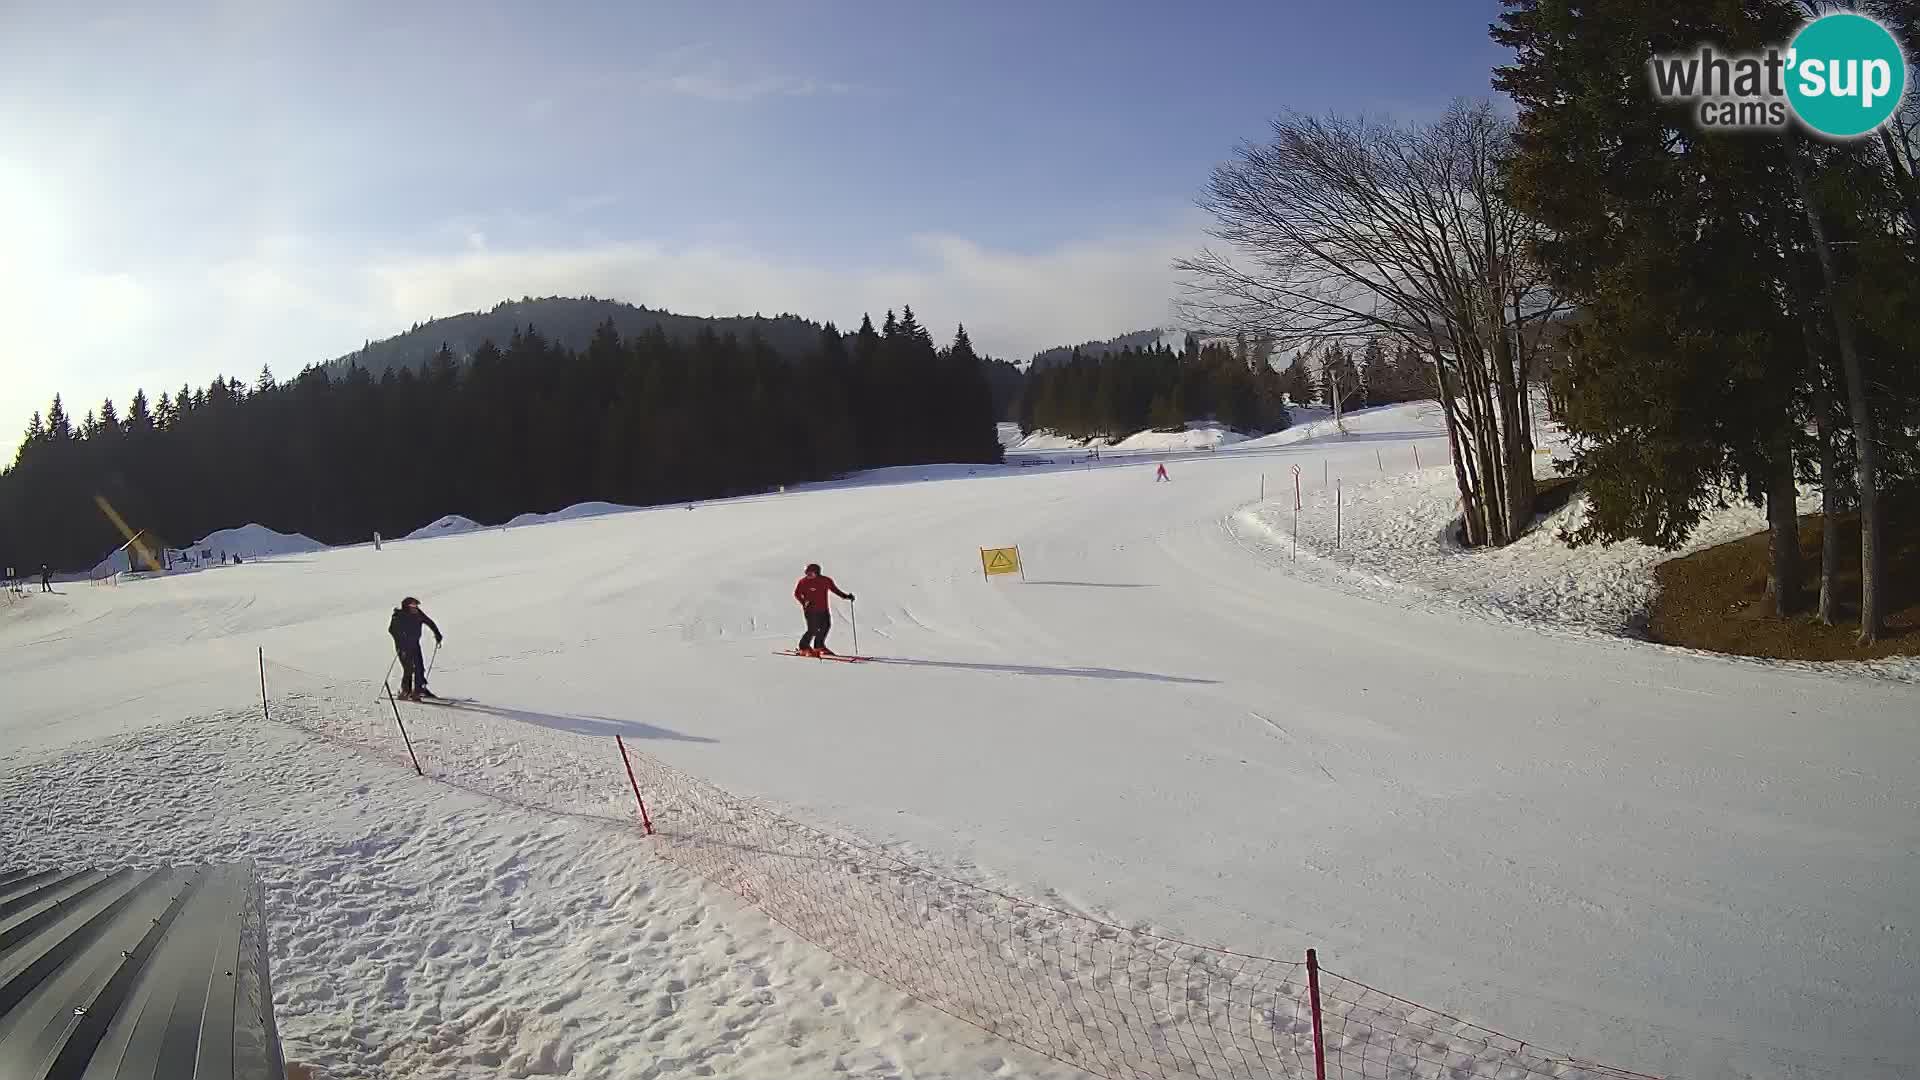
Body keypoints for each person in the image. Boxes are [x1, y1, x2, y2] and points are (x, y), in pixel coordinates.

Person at [388, 596, 443, 700]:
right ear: (406, 606)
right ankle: (405, 691)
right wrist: (402, 640)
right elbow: (392, 630)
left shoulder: (418, 614)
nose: (415, 607)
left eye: (416, 605)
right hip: (403, 646)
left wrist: (437, 634)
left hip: (414, 645)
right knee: (408, 668)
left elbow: (429, 622)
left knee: (419, 668)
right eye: (413, 605)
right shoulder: (399, 615)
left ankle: (418, 691)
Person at [793, 563, 854, 657]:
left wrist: (846, 596)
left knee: (826, 626)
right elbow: (797, 593)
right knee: (812, 629)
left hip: (823, 609)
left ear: (817, 573)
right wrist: (803, 602)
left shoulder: (825, 581)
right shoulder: (803, 582)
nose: (808, 576)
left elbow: (835, 590)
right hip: (810, 610)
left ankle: (819, 646)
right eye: (807, 573)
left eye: (811, 573)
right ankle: (803, 647)